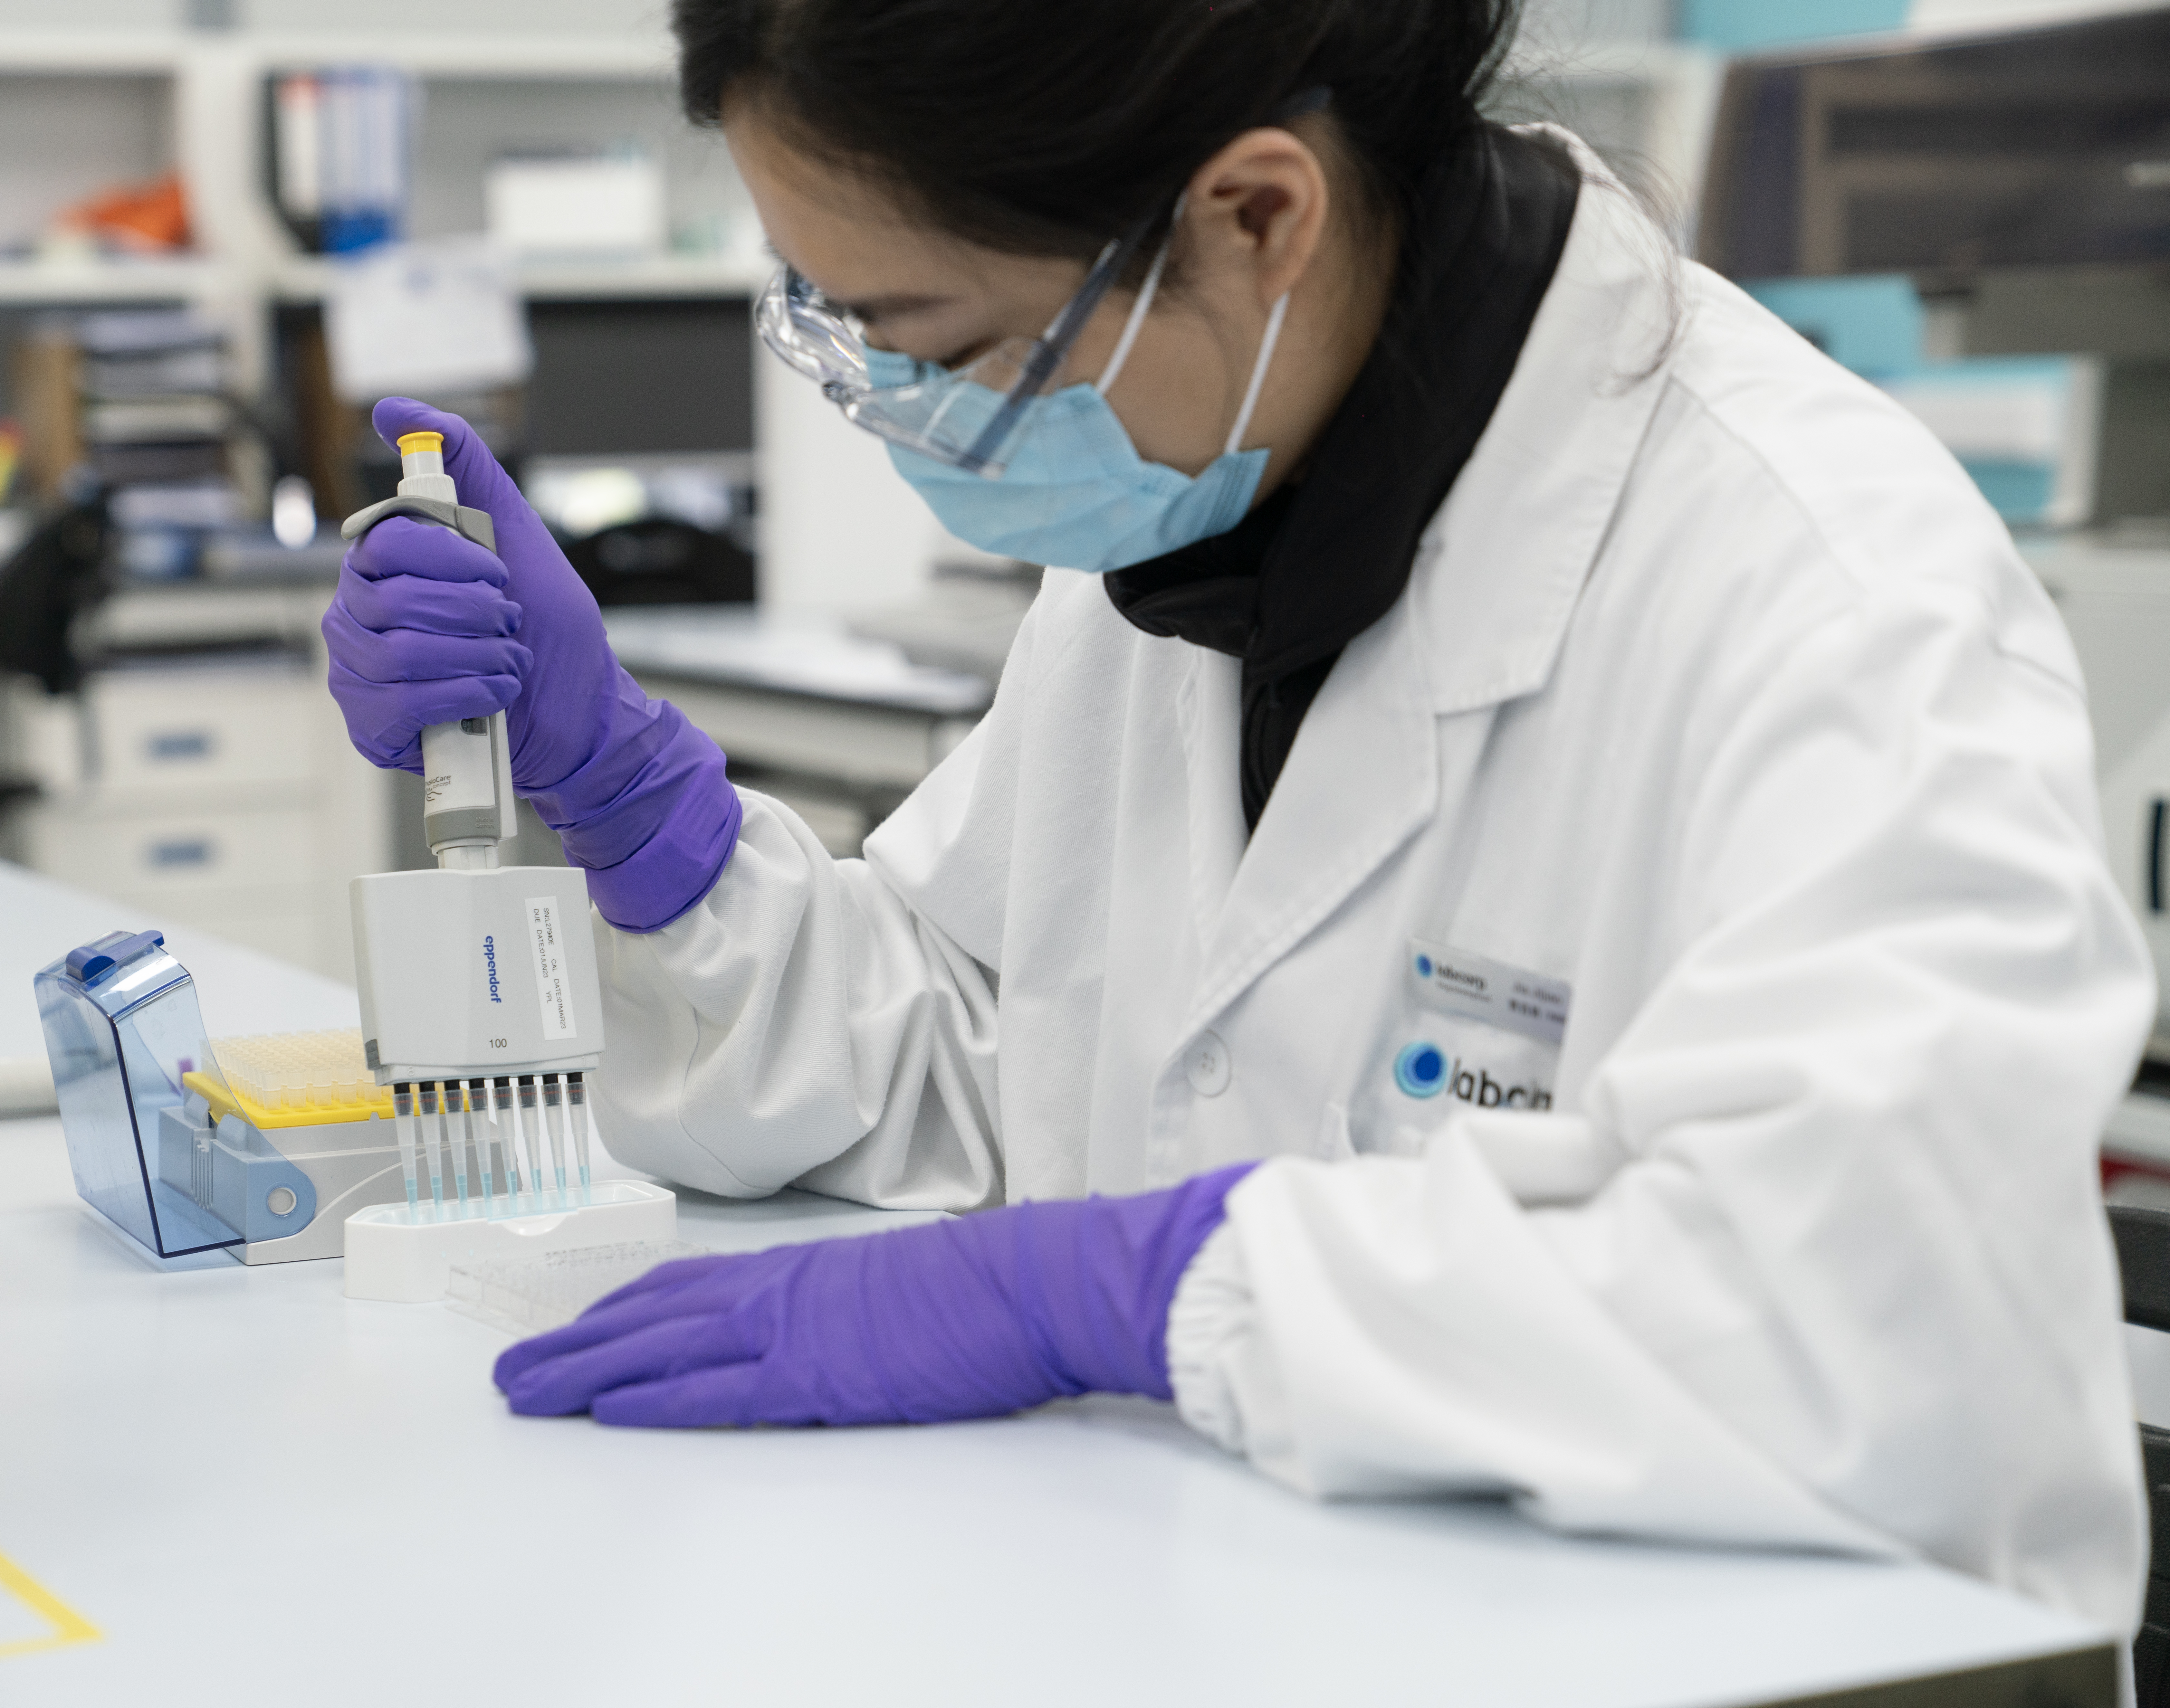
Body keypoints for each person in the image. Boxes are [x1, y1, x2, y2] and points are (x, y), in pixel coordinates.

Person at [320, 0, 2156, 1632]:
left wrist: (1140, 1283)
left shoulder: (1823, 594)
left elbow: (1867, 1323)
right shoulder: (1198, 496)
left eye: (928, 336)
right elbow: (993, 1047)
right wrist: (645, 812)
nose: (892, 404)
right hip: (1248, 1600)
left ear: (1256, 213)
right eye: (836, 326)